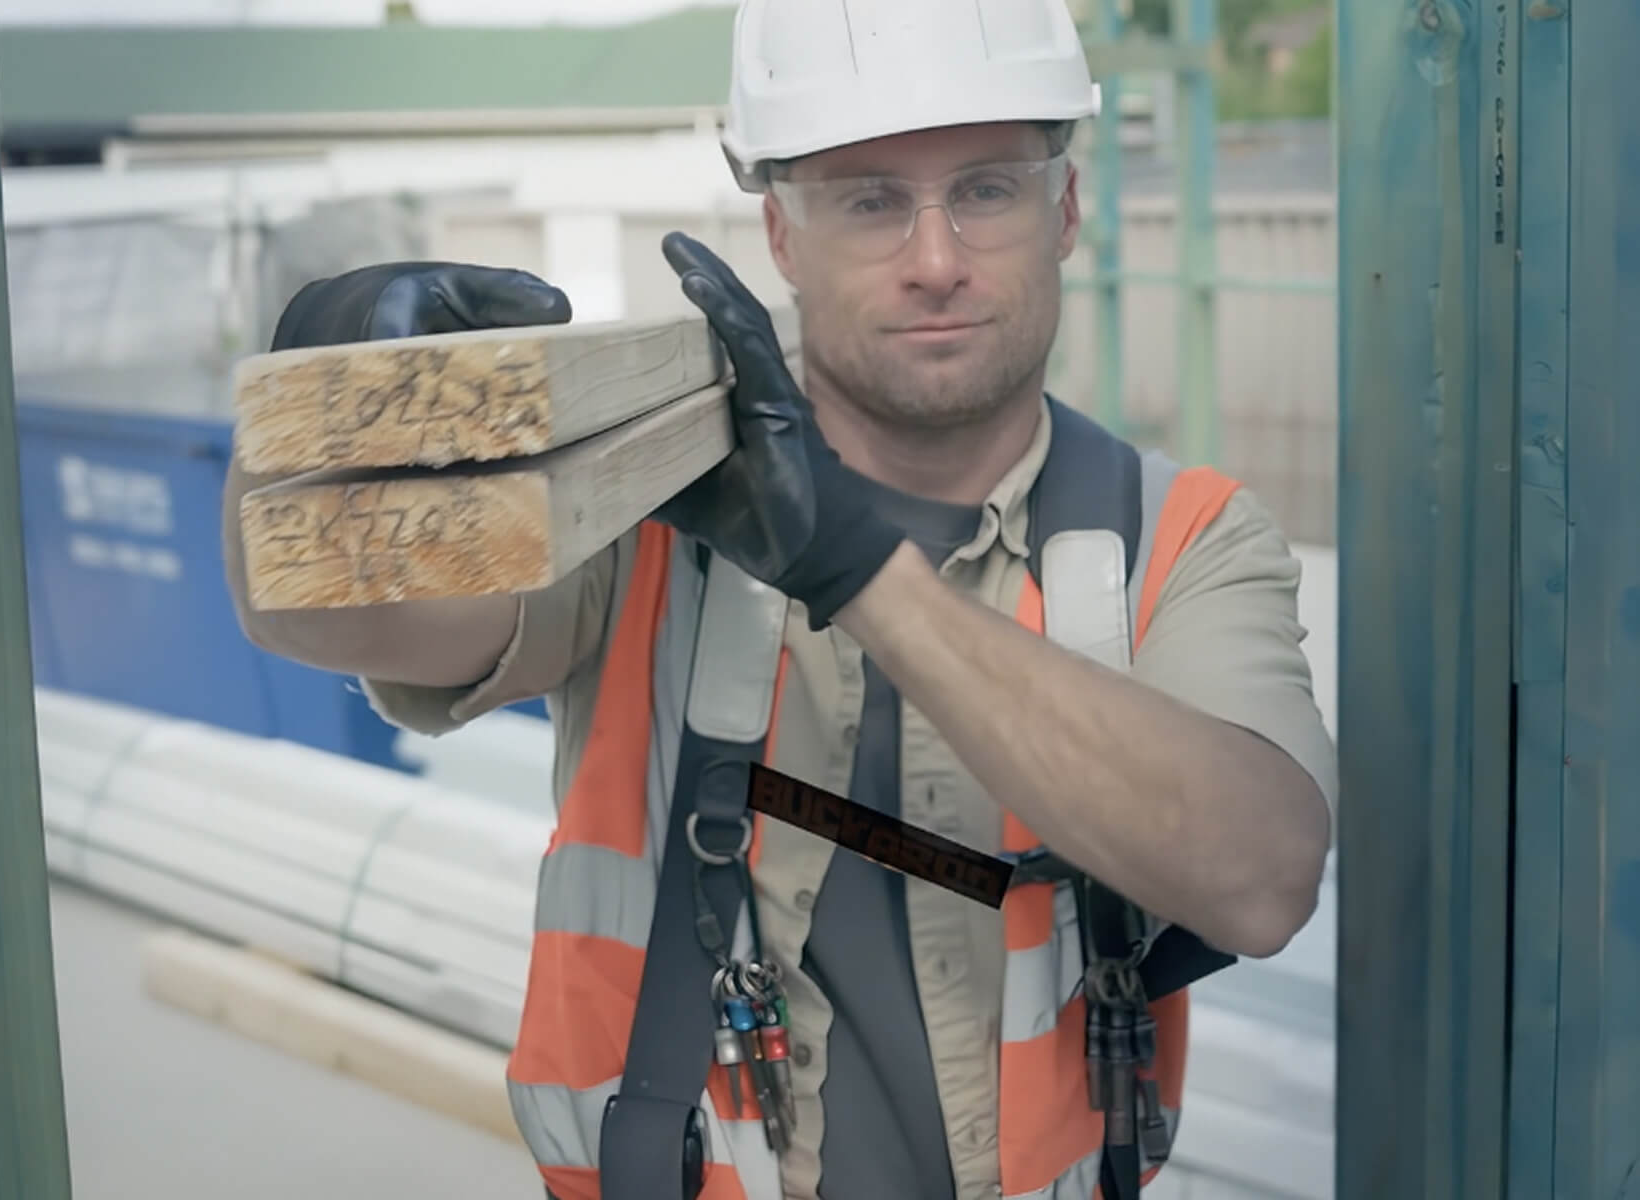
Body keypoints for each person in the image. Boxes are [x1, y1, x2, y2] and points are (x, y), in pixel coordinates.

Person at [224, 2, 1336, 1197]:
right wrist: (324, 422)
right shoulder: (650, 508)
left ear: (1063, 210)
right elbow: (313, 609)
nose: (936, 258)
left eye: (987, 188)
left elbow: (1261, 878)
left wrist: (855, 567)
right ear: (782, 234)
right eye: (867, 198)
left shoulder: (1181, 542)